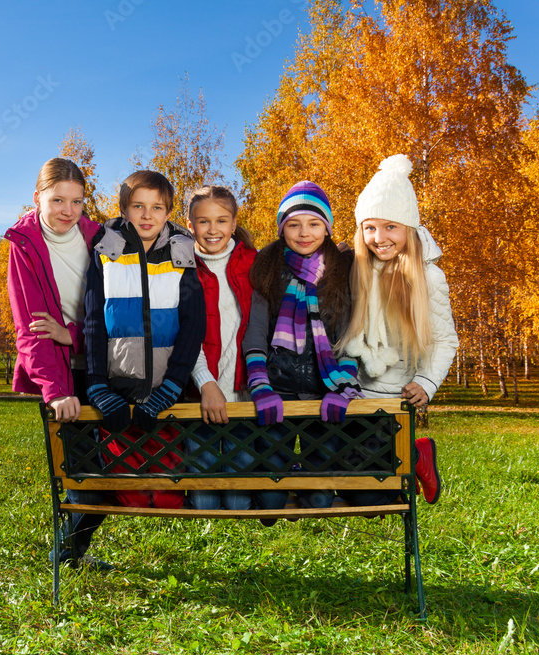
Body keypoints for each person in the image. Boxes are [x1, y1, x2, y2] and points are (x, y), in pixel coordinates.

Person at [5, 157, 110, 569]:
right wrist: (56, 389)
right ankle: (67, 556)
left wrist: (74, 332)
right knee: (86, 480)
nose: (68, 210)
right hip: (63, 374)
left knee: (117, 471)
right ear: (37, 198)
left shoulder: (99, 238)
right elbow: (30, 329)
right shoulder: (25, 245)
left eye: (78, 201)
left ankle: (68, 554)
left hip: (105, 366)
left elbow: (119, 309)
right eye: (58, 200)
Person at [339, 154, 459, 505]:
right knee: (355, 494)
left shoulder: (427, 277)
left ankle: (419, 453)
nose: (380, 237)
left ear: (409, 228)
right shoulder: (355, 269)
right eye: (370, 227)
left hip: (397, 395)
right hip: (355, 391)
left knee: (381, 496)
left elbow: (444, 339)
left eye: (391, 227)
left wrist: (427, 381)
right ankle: (412, 454)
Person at [83, 170, 205, 509]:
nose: (147, 215)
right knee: (131, 497)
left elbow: (194, 325)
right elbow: (93, 323)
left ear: (168, 212)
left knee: (166, 499)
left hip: (166, 396)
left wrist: (173, 385)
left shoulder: (182, 252)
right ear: (124, 208)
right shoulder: (106, 251)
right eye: (138, 206)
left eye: (157, 207)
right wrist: (97, 386)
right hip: (118, 396)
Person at [242, 181, 362, 515]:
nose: (304, 233)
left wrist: (343, 389)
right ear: (282, 229)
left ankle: (306, 474)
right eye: (293, 225)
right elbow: (255, 335)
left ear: (326, 228)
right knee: (269, 505)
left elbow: (347, 338)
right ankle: (283, 471)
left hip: (323, 395)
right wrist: (261, 387)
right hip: (277, 392)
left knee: (319, 500)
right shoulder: (268, 268)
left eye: (313, 223)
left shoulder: (340, 271)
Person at [180, 185, 261, 511]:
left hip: (243, 396)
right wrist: (205, 384)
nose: (213, 230)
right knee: (205, 502)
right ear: (190, 225)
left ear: (233, 222)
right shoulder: (182, 268)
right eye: (203, 221)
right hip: (201, 397)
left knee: (238, 501)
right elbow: (184, 334)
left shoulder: (255, 264)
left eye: (221, 220)